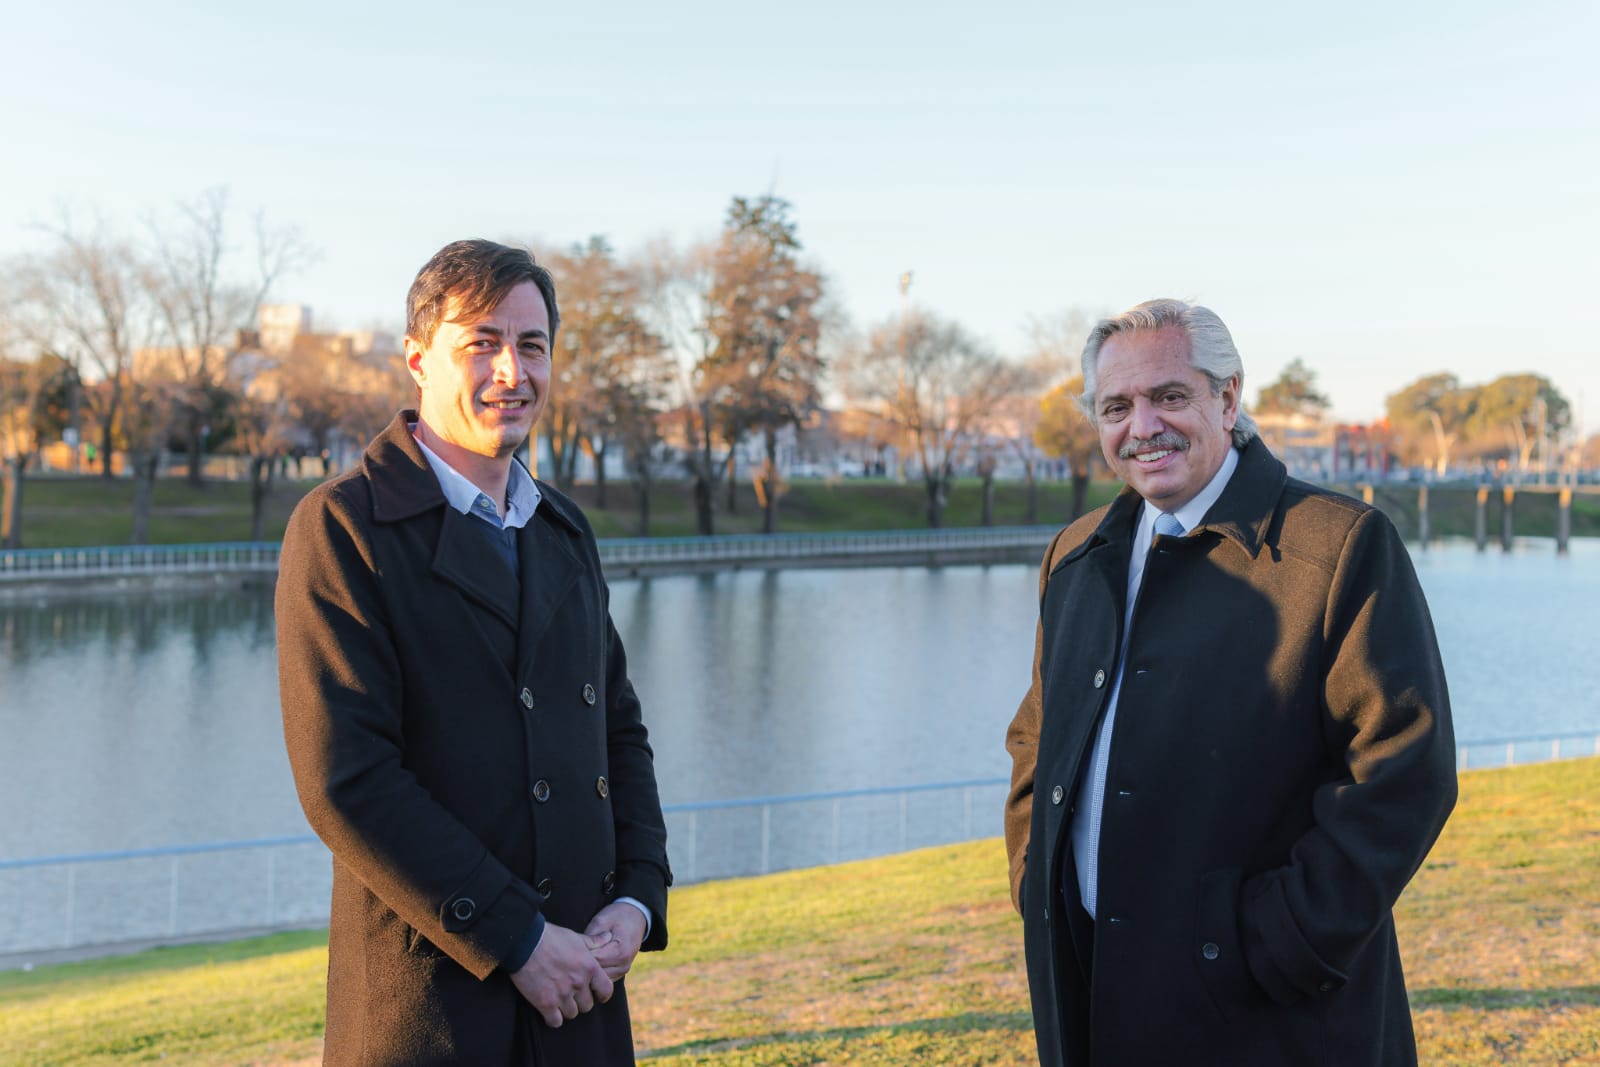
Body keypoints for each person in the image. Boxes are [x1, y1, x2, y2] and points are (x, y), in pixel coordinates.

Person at [1004, 299, 1456, 1066]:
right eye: (1116, 406)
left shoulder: (1340, 547)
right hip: (1091, 991)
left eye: (1169, 396)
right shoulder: (1077, 556)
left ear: (1228, 397)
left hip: (1270, 1012)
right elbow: (1035, 738)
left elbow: (1401, 769)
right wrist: (1034, 882)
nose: (1142, 425)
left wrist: (1280, 939)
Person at [277, 239, 671, 1065]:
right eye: (482, 343)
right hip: (435, 1012)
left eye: (532, 346)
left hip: (583, 1000)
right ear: (418, 359)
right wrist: (520, 938)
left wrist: (639, 893)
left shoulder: (564, 530)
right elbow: (347, 783)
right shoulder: (343, 527)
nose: (511, 371)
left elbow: (620, 732)